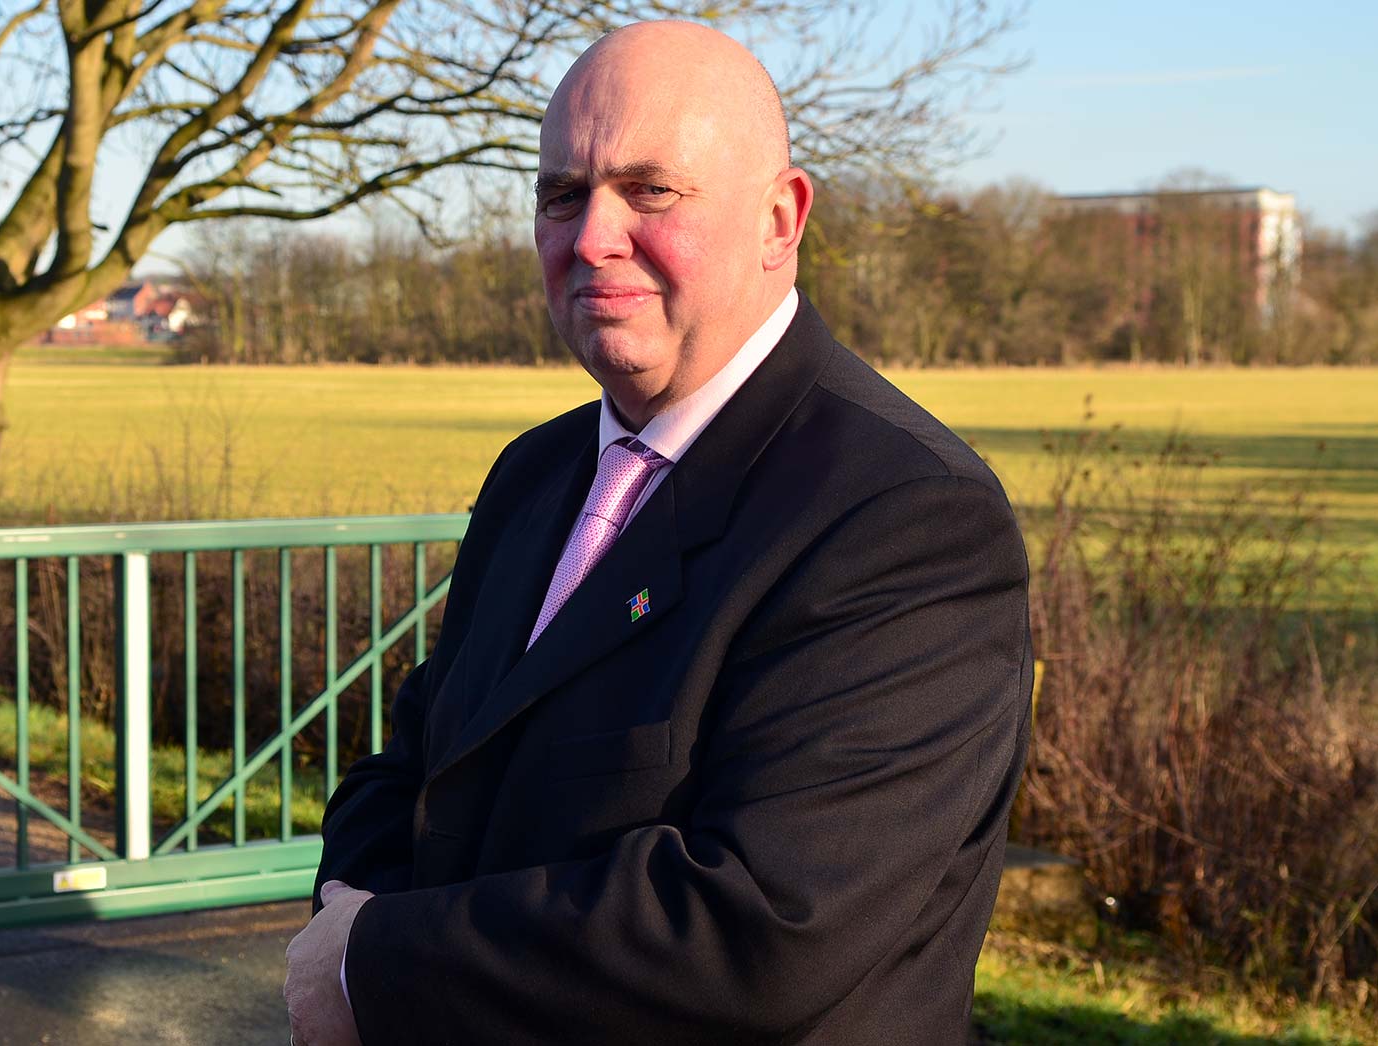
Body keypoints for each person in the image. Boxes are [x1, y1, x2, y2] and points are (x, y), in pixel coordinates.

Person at [284, 19, 1031, 1046]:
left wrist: (375, 963)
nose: (591, 235)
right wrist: (345, 920)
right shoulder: (536, 473)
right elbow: (415, 766)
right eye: (561, 193)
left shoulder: (904, 514)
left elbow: (763, 925)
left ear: (780, 218)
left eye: (650, 190)